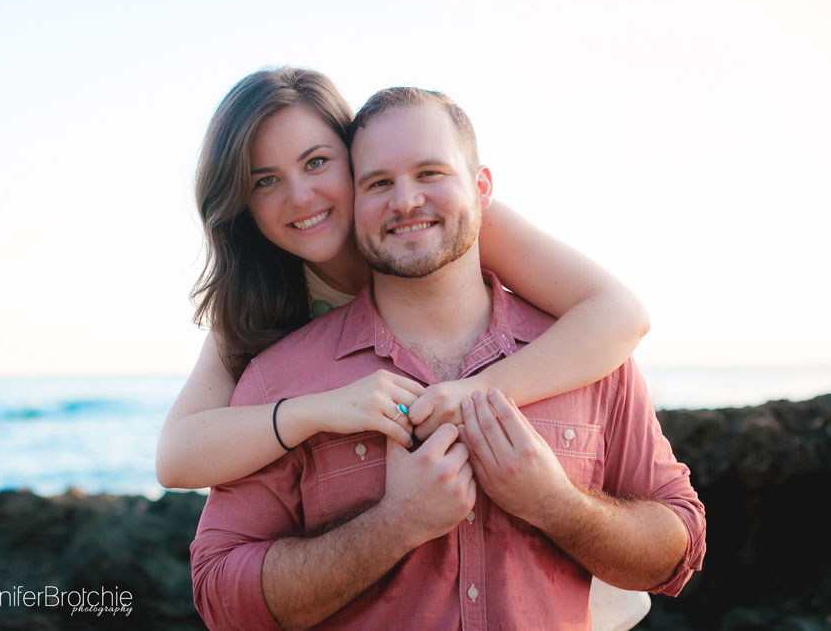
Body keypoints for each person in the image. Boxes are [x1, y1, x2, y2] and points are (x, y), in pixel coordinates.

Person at [189, 86, 706, 629]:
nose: (406, 200)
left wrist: (556, 503)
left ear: (482, 187)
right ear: (354, 199)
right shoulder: (280, 373)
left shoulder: (587, 351)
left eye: (431, 173)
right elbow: (220, 595)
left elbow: (679, 548)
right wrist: (395, 524)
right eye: (379, 183)